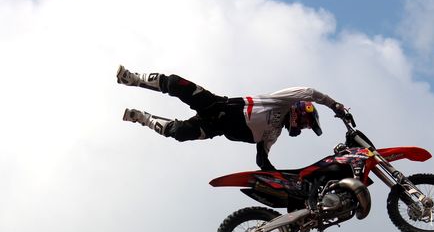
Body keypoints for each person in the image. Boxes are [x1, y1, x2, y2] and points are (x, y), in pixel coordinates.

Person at [116, 66, 347, 170]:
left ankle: (141, 118)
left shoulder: (273, 135)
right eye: (306, 121)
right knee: (177, 84)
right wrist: (334, 105)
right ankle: (133, 78)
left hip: (213, 128)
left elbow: (263, 160)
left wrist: (276, 178)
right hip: (218, 106)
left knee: (179, 133)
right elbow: (309, 91)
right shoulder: (281, 101)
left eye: (306, 126)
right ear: (300, 109)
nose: (303, 126)